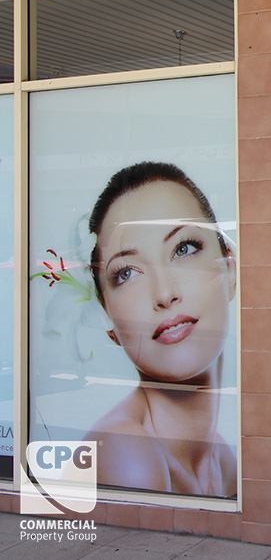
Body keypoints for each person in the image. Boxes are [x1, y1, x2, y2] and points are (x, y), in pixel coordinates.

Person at [83, 161, 237, 497]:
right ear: (106, 314)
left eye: (183, 249)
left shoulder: (224, 462)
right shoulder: (126, 456)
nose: (165, 294)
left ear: (230, 270)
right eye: (126, 273)